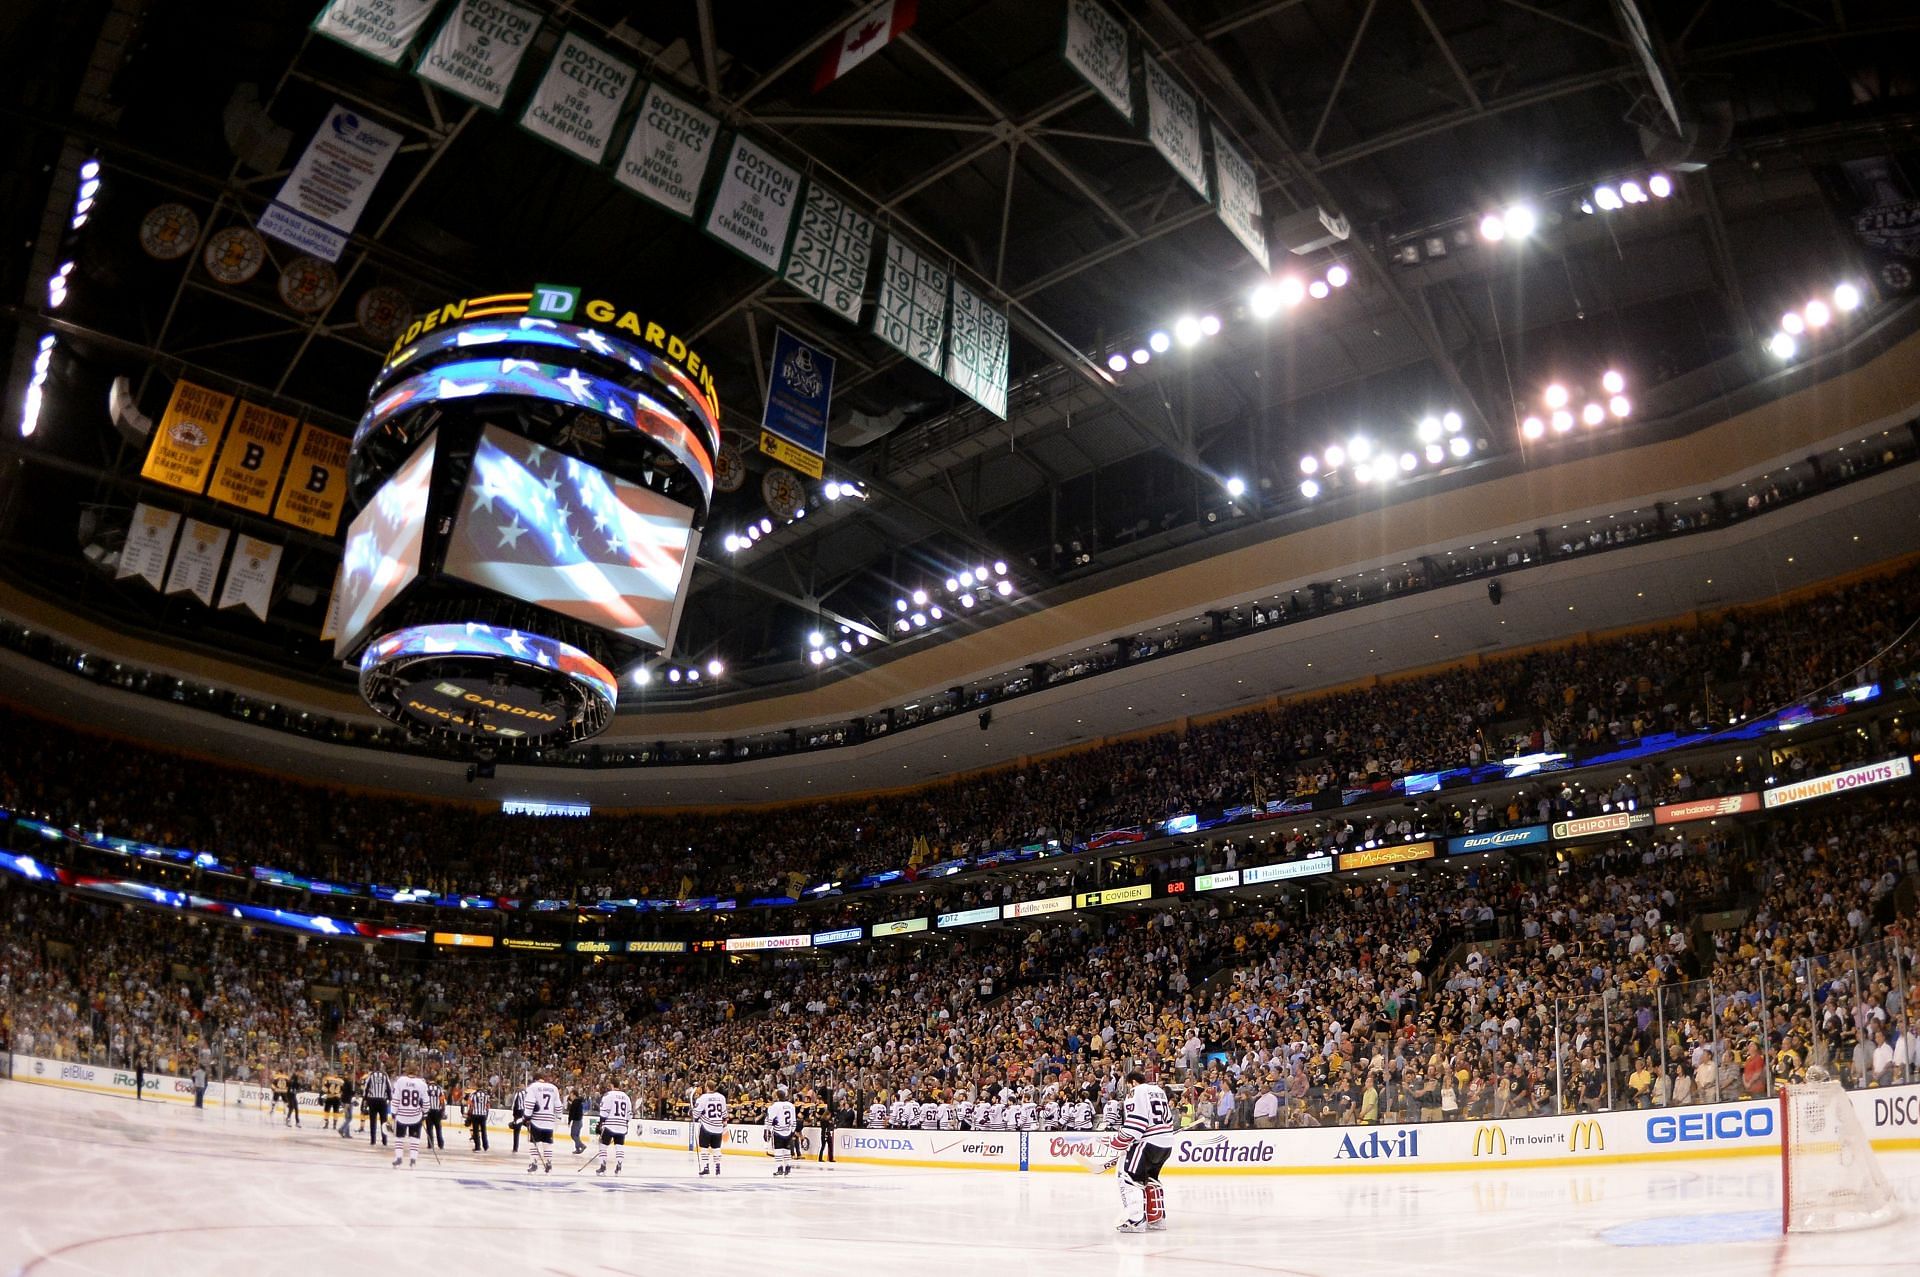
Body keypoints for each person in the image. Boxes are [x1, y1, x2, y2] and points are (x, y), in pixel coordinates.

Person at [1109, 1070, 1176, 1234]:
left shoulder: (1135, 1091)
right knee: (1151, 1179)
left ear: (1132, 1082)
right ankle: (1157, 1220)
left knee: (1129, 1178)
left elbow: (1136, 1123)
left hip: (1147, 1143)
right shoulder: (1159, 1091)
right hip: (1166, 1144)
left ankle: (1135, 1221)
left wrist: (1118, 1143)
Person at [522, 1067, 563, 1174]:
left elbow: (530, 1104)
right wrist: (558, 1116)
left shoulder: (532, 1087)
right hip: (549, 1121)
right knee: (547, 1144)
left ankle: (534, 1163)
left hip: (536, 1120)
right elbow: (558, 1105)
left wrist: (526, 1117)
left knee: (534, 1144)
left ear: (535, 1079)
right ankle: (549, 1163)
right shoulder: (553, 1088)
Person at [389, 1070, 428, 1169]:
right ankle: (413, 1160)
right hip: (415, 1116)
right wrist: (425, 1113)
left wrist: (393, 1112)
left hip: (402, 1115)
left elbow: (396, 1098)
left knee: (399, 1138)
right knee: (414, 1139)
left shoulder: (400, 1081)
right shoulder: (421, 1083)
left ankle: (398, 1158)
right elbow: (426, 1101)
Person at [592, 1080, 631, 1175]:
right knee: (619, 1146)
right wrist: (625, 1124)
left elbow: (604, 1111)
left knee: (602, 1145)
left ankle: (603, 1167)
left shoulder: (608, 1095)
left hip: (610, 1125)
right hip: (622, 1126)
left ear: (612, 1085)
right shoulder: (626, 1097)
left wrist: (600, 1124)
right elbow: (629, 1114)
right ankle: (619, 1167)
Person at [693, 1082, 728, 1177]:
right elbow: (724, 1114)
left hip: (706, 1126)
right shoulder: (721, 1097)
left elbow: (695, 1115)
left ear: (707, 1087)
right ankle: (718, 1169)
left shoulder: (703, 1098)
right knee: (716, 1148)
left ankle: (705, 1167)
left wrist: (693, 1110)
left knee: (704, 1148)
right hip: (718, 1127)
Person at [765, 1086, 798, 1178]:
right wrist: (792, 1131)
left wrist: (766, 1130)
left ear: (777, 1097)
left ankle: (780, 1168)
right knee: (787, 1150)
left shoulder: (774, 1106)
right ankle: (788, 1167)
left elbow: (769, 1120)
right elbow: (794, 1120)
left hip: (778, 1131)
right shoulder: (791, 1105)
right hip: (788, 1131)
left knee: (778, 1151)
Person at [362, 1063, 391, 1147]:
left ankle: (373, 1140)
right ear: (381, 1067)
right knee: (384, 1122)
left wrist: (365, 1100)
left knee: (373, 1121)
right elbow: (389, 1088)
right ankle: (384, 1141)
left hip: (373, 1100)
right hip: (382, 1101)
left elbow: (366, 1088)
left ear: (375, 1067)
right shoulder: (385, 1076)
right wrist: (390, 1099)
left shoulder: (371, 1075)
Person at [464, 1082, 490, 1151]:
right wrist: (486, 1114)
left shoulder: (473, 1094)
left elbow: (470, 1105)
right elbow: (488, 1106)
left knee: (476, 1131)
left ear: (476, 1086)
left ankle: (477, 1147)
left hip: (475, 1115)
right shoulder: (486, 1094)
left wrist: (469, 1114)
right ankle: (486, 1146)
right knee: (484, 1131)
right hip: (483, 1114)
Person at [425, 1080, 447, 1151]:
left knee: (429, 1129)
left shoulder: (426, 1088)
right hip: (437, 1111)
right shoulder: (439, 1089)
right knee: (438, 1129)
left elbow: (424, 1100)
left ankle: (430, 1144)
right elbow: (443, 1101)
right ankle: (441, 1145)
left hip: (429, 1111)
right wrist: (443, 1111)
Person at [336, 1072, 357, 1141]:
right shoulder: (349, 1083)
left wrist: (354, 1093)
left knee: (347, 1117)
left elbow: (346, 1092)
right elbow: (349, 1093)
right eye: (352, 1075)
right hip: (348, 1102)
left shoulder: (344, 1082)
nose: (353, 1076)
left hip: (343, 1100)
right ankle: (341, 1129)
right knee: (349, 1118)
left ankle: (347, 1133)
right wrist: (346, 1106)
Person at [567, 1090, 587, 1154]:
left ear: (573, 1094)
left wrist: (569, 1120)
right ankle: (577, 1149)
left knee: (573, 1135)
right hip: (580, 1121)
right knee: (576, 1135)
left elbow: (572, 1112)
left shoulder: (575, 1102)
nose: (570, 1096)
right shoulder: (579, 1101)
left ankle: (582, 1145)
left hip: (576, 1121)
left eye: (571, 1095)